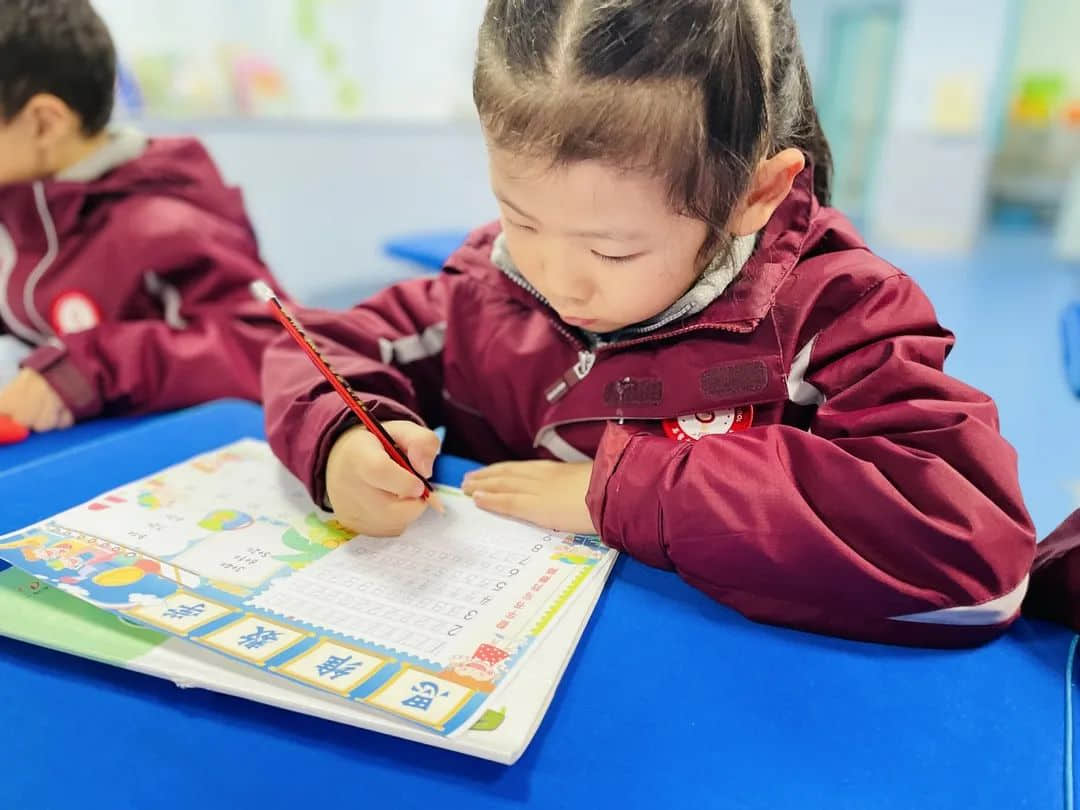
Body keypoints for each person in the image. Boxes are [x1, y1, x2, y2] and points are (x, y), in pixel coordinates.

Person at [263, 0, 1035, 647]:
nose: (556, 278)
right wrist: (345, 437)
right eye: (520, 218)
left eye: (613, 250)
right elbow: (320, 347)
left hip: (715, 698)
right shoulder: (486, 288)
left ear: (754, 195)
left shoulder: (836, 315)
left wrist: (624, 495)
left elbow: (970, 547)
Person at [0, 0, 286, 431]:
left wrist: (86, 368)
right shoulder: (18, 199)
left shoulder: (164, 221)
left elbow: (267, 345)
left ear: (45, 124)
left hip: (162, 449)